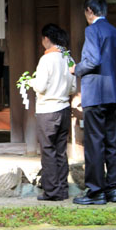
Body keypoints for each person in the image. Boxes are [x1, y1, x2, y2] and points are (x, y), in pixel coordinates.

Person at [70, 0, 116, 205]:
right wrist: (109, 75)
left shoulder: (92, 30)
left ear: (89, 11)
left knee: (94, 144)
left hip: (94, 94)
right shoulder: (115, 31)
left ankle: (96, 192)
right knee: (111, 142)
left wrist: (76, 68)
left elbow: (92, 60)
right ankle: (113, 190)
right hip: (111, 93)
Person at [30, 24, 77, 201]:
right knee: (60, 151)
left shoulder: (46, 60)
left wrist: (31, 82)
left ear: (46, 39)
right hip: (64, 109)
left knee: (48, 151)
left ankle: (52, 191)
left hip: (47, 110)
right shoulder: (68, 57)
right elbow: (73, 87)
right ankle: (63, 189)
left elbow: (40, 86)